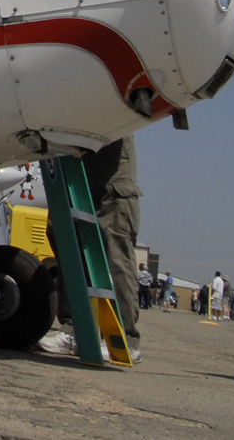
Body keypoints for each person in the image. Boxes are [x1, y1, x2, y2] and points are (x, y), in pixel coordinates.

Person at [38, 136, 143, 361]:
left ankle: (123, 338)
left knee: (114, 250)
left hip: (111, 161)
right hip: (70, 157)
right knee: (66, 238)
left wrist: (93, 135)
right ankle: (74, 329)